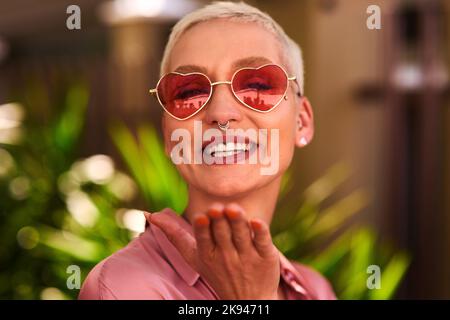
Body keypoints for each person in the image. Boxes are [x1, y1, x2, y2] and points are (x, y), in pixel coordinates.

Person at [79, 1, 336, 300]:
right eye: (189, 92)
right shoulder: (122, 288)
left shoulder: (315, 289)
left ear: (301, 122)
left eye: (256, 85)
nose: (221, 113)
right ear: (169, 135)